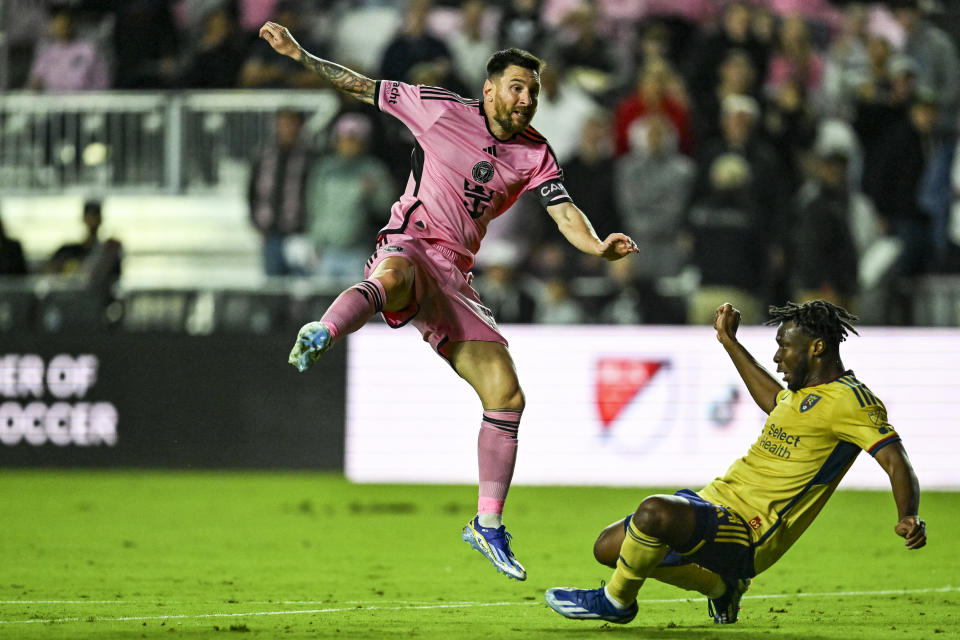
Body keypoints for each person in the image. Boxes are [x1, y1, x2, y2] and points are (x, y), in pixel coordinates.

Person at [259, 20, 638, 581]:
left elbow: (564, 211)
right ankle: (325, 330)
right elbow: (361, 85)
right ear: (489, 89)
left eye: (532, 90)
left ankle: (487, 524)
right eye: (516, 86)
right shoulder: (438, 109)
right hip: (410, 242)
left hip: (455, 276)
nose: (526, 98)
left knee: (506, 396)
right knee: (393, 276)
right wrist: (300, 54)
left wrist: (597, 246)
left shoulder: (535, 153)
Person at [545, 300, 926, 625]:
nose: (777, 357)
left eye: (784, 347)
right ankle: (720, 588)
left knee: (652, 514)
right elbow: (773, 402)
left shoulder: (852, 402)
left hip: (751, 531)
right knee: (609, 548)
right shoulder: (802, 395)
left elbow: (895, 459)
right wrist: (729, 342)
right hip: (716, 501)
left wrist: (907, 514)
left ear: (817, 348)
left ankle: (616, 602)